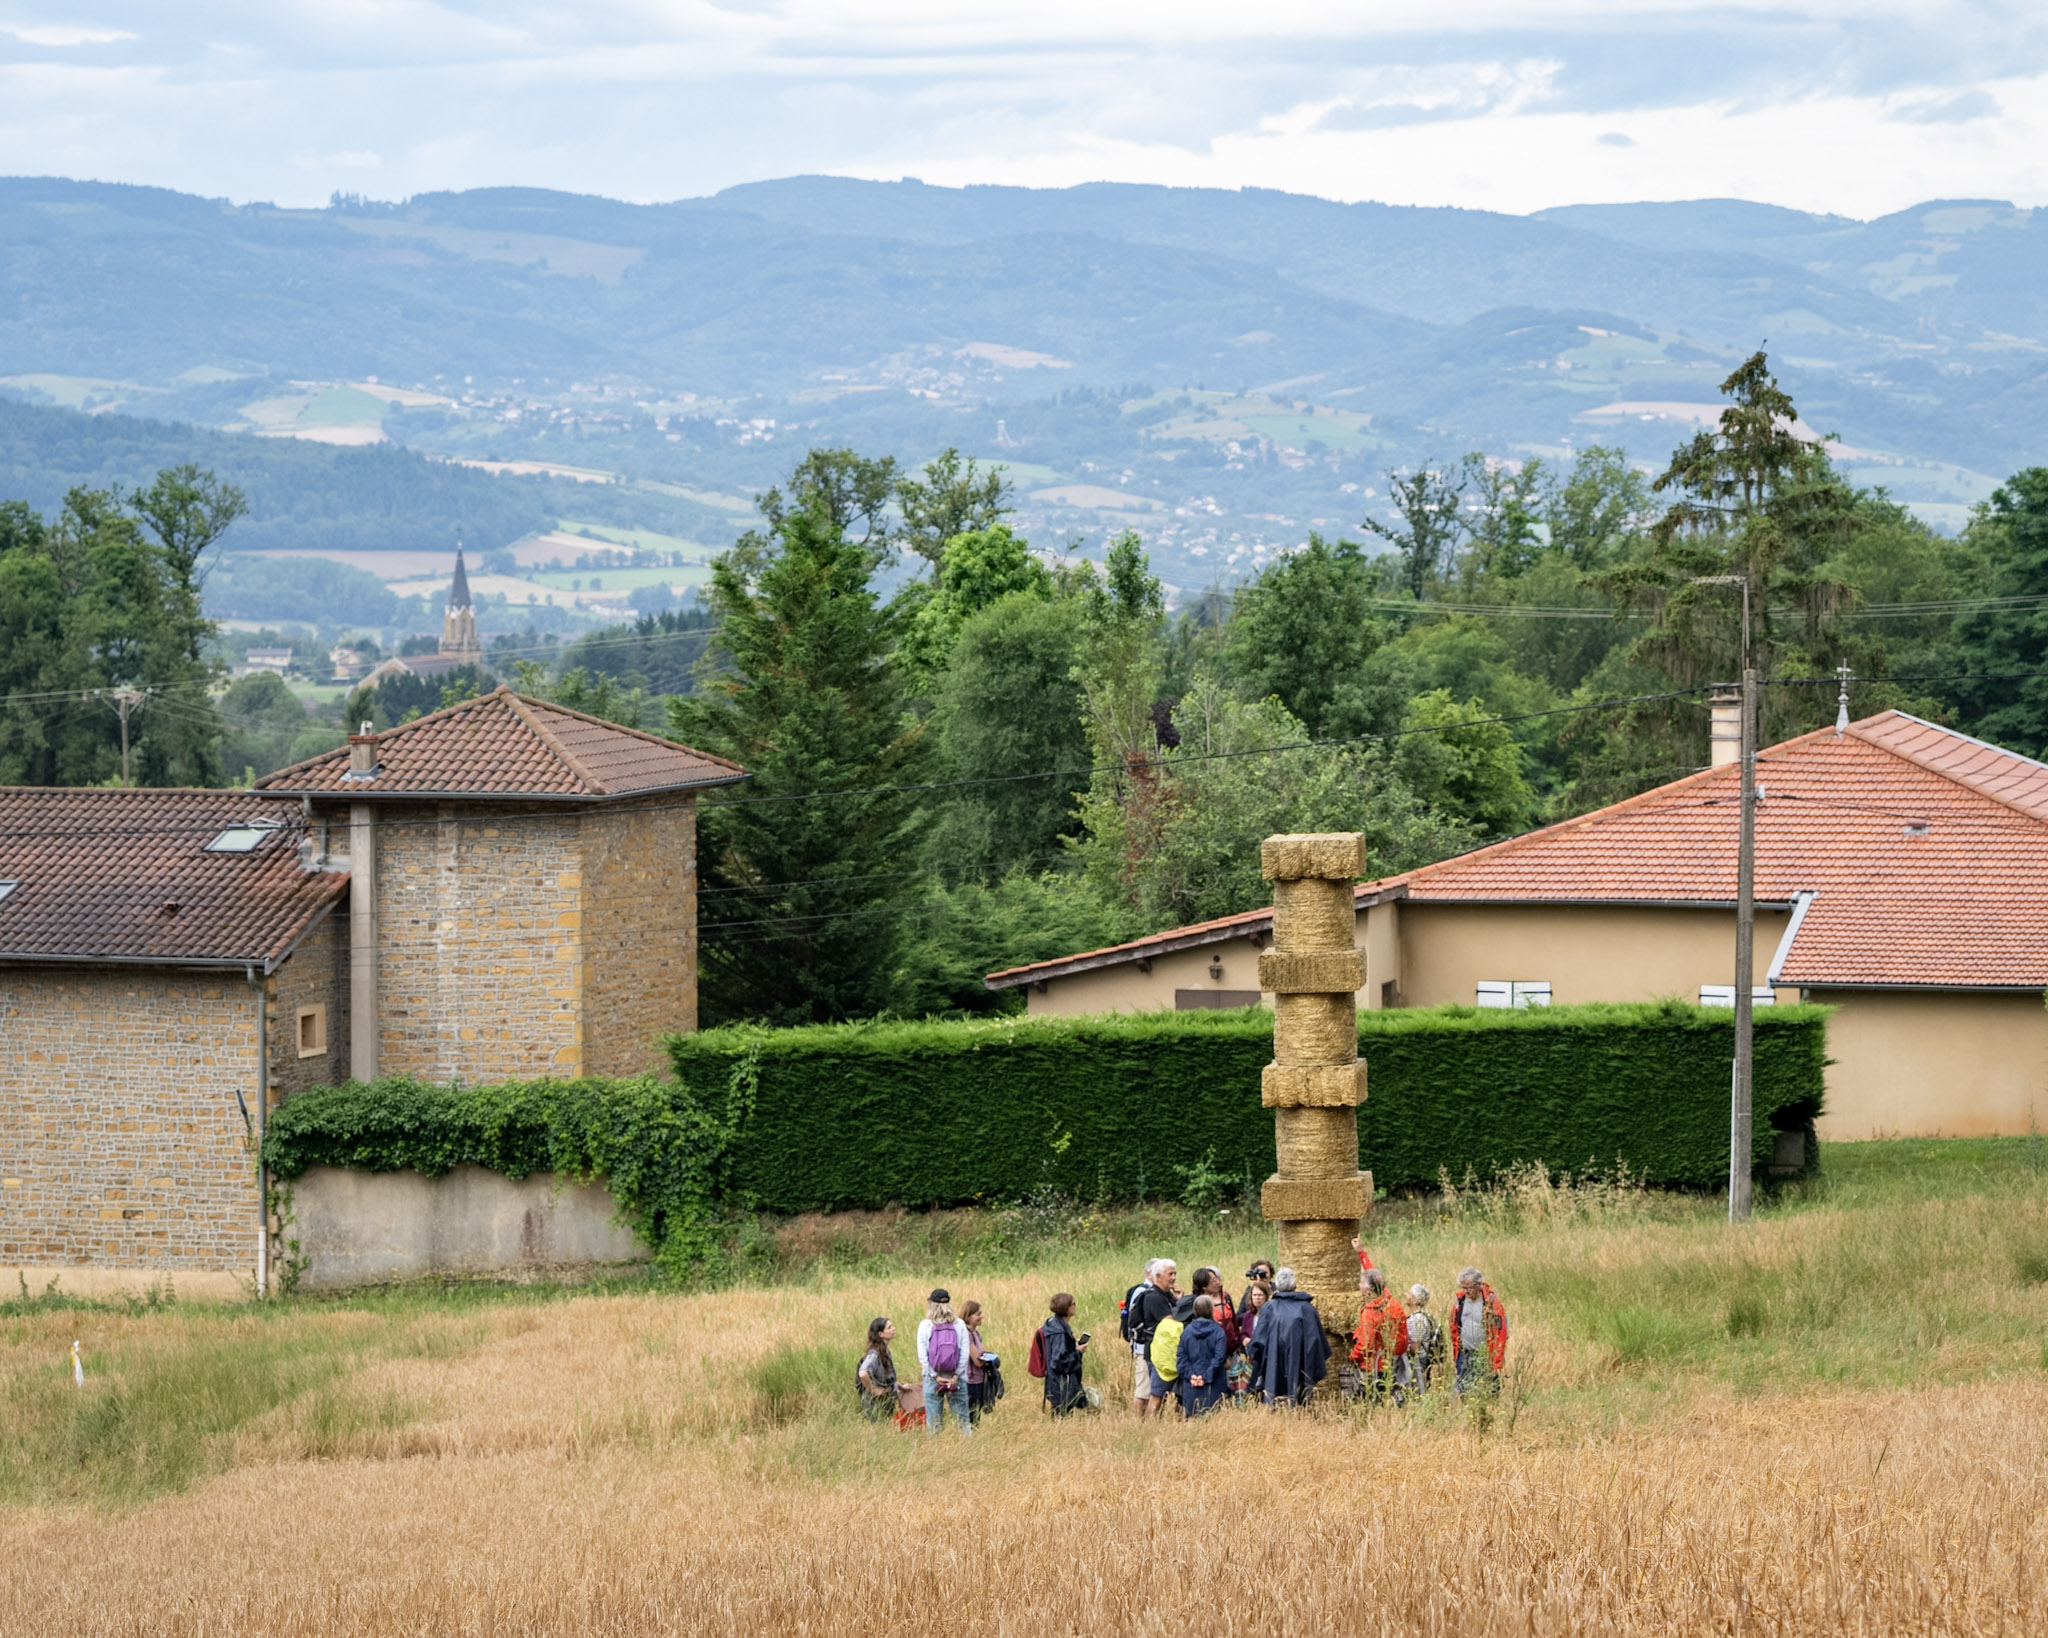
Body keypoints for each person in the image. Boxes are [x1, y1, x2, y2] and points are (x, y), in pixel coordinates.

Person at [1247, 1267, 1329, 1406]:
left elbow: (1258, 1344)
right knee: (1299, 1404)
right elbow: (1317, 1343)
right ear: (1294, 1285)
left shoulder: (1269, 1308)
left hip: (1273, 1369)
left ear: (1277, 1285)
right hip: (1301, 1368)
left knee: (1275, 1405)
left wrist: (1261, 1362)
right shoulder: (1307, 1309)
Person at [917, 1287, 974, 1436]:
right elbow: (964, 1353)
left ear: (931, 1304)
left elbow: (923, 1356)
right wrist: (956, 1375)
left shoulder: (925, 1325)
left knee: (934, 1424)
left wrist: (935, 1376)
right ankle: (967, 1447)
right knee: (962, 1422)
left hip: (932, 1379)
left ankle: (935, 1449)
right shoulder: (959, 1324)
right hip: (956, 1378)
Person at [1126, 1257, 1178, 1419]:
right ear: (1158, 1276)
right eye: (1170, 1274)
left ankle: (1153, 1423)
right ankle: (1146, 1424)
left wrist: (1179, 1298)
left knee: (1159, 1394)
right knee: (1155, 1394)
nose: (1174, 1278)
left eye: (1175, 1273)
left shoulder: (1167, 1295)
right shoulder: (1153, 1297)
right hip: (1155, 1352)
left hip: (1162, 1351)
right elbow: (1171, 1322)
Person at [1349, 1266, 1409, 1404]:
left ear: (1369, 1289)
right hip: (1389, 1363)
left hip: (1371, 1366)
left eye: (1361, 1283)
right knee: (1384, 1400)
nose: (1359, 1285)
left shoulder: (1370, 1312)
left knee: (1370, 1403)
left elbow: (1366, 1344)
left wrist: (1352, 1357)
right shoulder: (1391, 1303)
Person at [1450, 1266, 1509, 1400]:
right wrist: (1456, 1356)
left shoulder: (1491, 1303)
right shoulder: (1460, 1301)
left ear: (1479, 1285)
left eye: (1469, 1287)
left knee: (1487, 1392)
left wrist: (1496, 1363)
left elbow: (1500, 1334)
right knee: (1464, 1392)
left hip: (1484, 1356)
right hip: (1464, 1354)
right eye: (1463, 1287)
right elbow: (1454, 1330)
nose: (1466, 1291)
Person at [1175, 1295, 1228, 1418]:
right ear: (1211, 1310)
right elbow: (1219, 1357)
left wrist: (1191, 1376)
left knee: (1191, 1417)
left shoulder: (1186, 1331)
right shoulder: (1218, 1331)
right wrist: (1205, 1376)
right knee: (1213, 1418)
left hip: (1192, 1383)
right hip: (1213, 1382)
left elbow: (1181, 1357)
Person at [1040, 1292, 1089, 1415]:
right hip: (1062, 1384)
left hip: (1055, 1381)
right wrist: (1078, 1352)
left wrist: (1073, 1347)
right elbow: (1059, 1361)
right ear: (1066, 1307)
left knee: (1060, 1414)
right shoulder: (1059, 1332)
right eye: (1073, 1303)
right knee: (1062, 1416)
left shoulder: (1052, 1324)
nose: (1075, 1305)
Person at [962, 1299, 999, 1423]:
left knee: (976, 1416)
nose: (981, 1316)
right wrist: (988, 1359)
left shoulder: (976, 1333)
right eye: (978, 1314)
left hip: (979, 1379)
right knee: (972, 1417)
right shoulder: (967, 1335)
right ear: (968, 1316)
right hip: (971, 1381)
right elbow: (977, 1361)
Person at [1401, 1285, 1440, 1398]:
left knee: (1417, 1392)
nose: (1405, 1295)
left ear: (1416, 1300)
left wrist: (1402, 1350)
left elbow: (1415, 1347)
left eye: (1409, 1293)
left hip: (1417, 1362)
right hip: (1424, 1359)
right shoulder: (1426, 1316)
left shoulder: (1416, 1319)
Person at [857, 1317, 899, 1422]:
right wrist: (873, 1390)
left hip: (884, 1399)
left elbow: (886, 1377)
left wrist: (900, 1387)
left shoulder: (884, 1351)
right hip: (875, 1402)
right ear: (881, 1334)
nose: (893, 1328)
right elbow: (863, 1373)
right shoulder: (875, 1354)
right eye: (889, 1327)